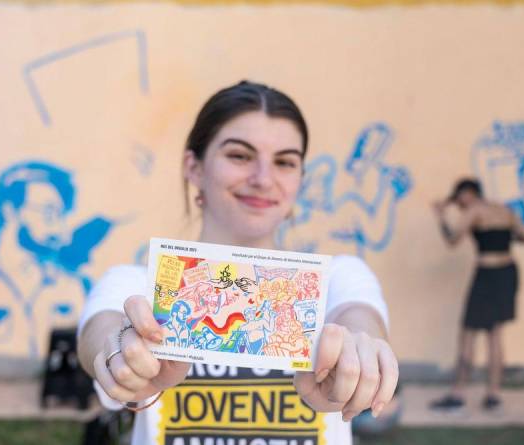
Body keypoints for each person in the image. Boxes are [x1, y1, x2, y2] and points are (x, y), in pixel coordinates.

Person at [77, 81, 398, 444]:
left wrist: (359, 350)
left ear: (300, 180)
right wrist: (122, 352)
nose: (263, 179)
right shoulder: (135, 283)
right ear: (194, 168)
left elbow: (360, 317)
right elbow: (98, 334)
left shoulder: (340, 276)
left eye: (285, 162)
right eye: (240, 156)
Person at [0, 161, 112, 356]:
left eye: (61, 215)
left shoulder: (73, 286)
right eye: (48, 213)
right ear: (10, 211)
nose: (60, 229)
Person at [431, 178, 524, 411]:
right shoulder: (504, 209)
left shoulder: (475, 209)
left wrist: (441, 216)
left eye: (460, 199)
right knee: (495, 334)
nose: (459, 205)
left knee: (468, 333)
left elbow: (452, 240)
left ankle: (458, 393)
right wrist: (505, 237)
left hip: (487, 274)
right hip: (508, 272)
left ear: (468, 193)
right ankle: (493, 394)